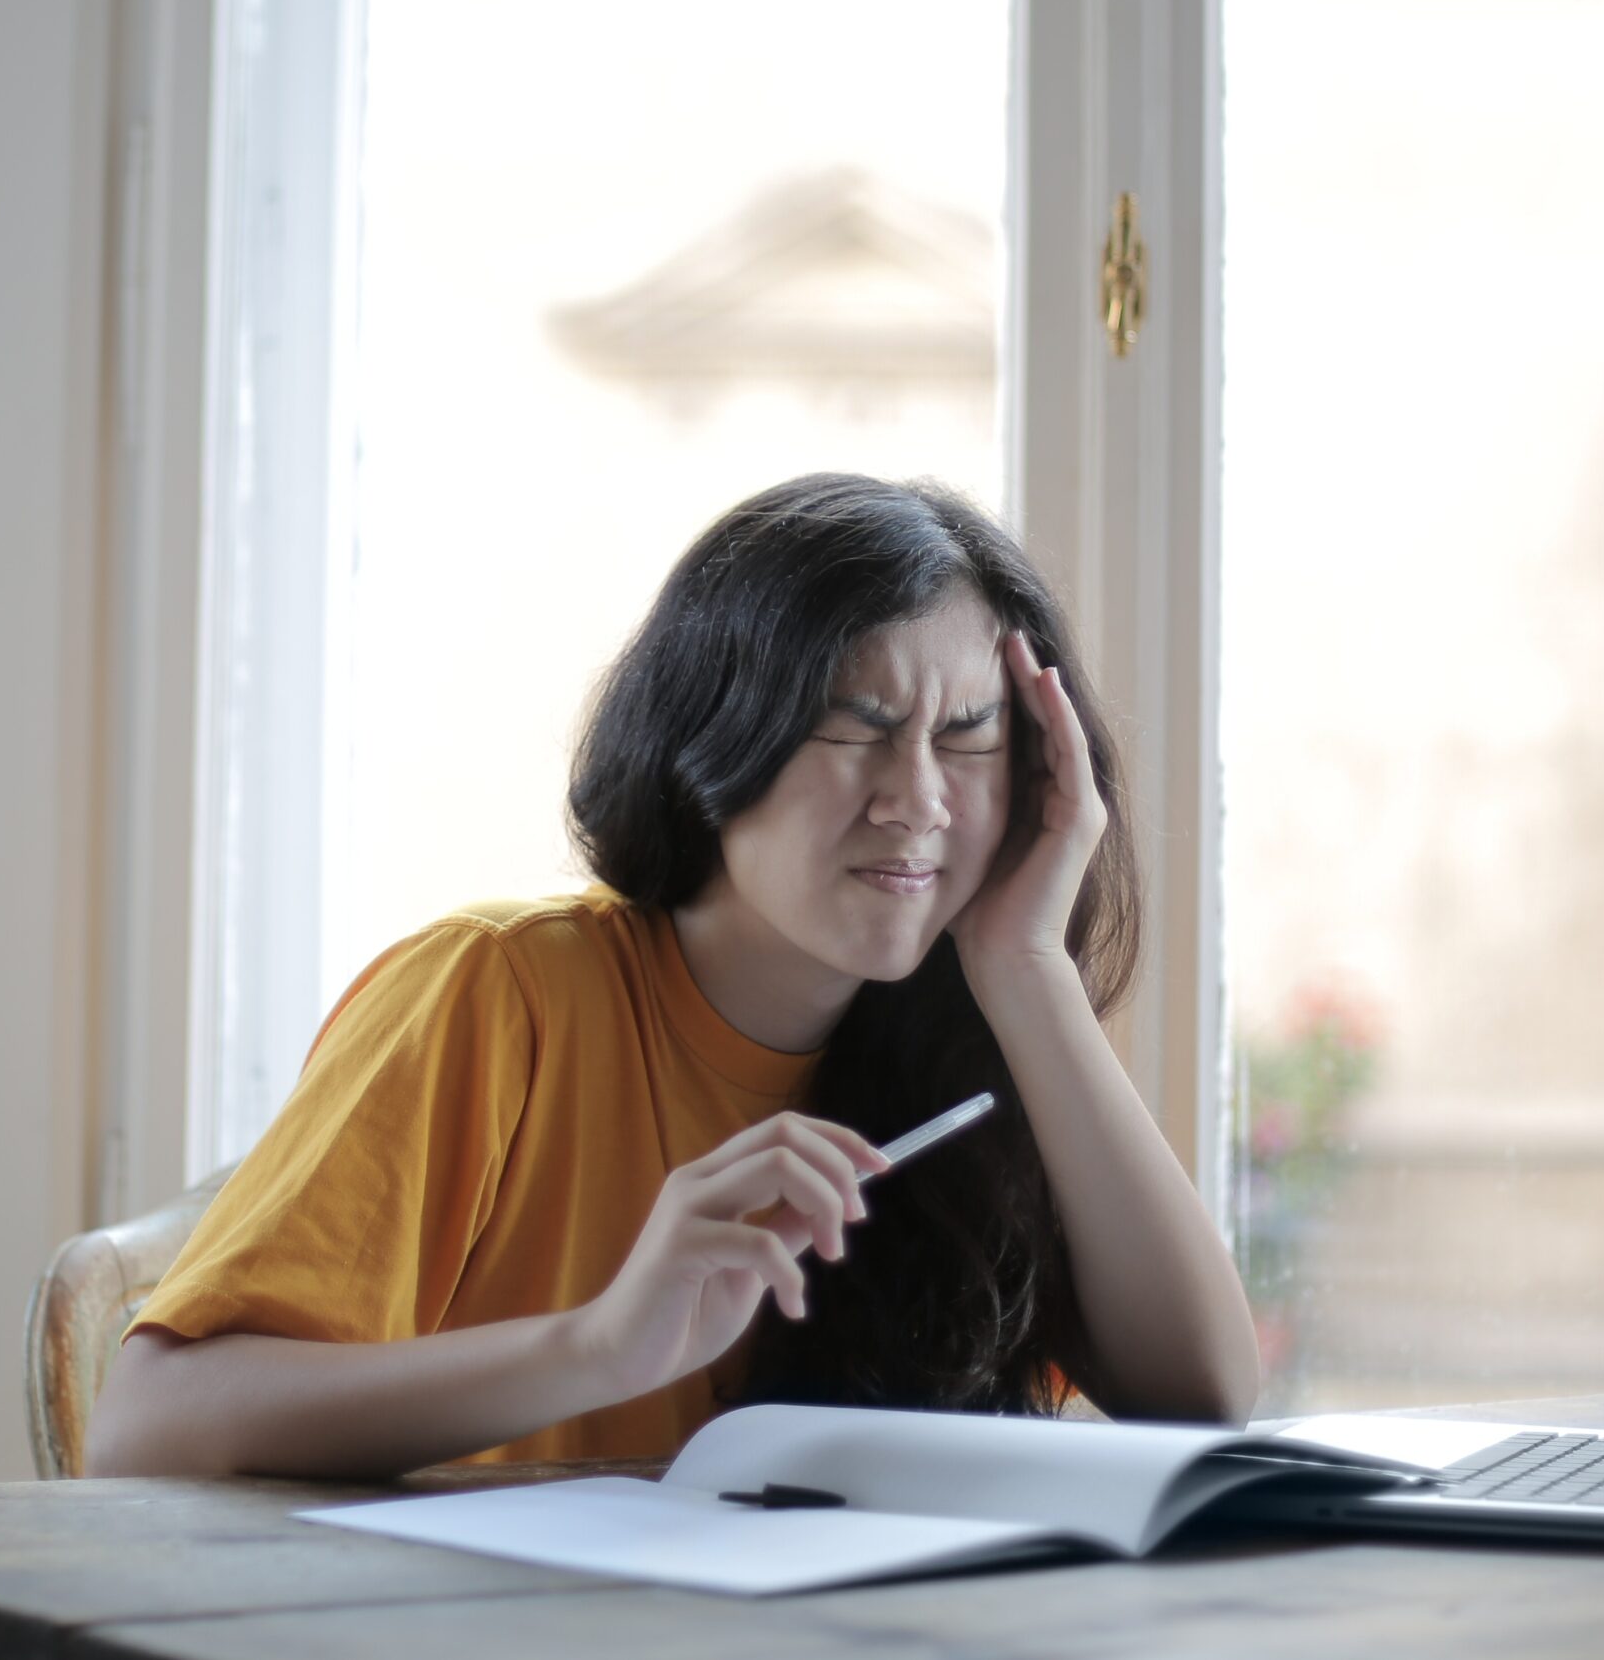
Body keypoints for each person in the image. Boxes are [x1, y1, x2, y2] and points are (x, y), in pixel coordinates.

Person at [84, 472, 1259, 1479]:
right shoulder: (497, 993)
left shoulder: (973, 1037)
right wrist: (599, 1346)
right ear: (716, 735)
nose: (919, 798)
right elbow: (142, 1431)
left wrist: (1026, 965)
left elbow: (1201, 1395)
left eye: (969, 735)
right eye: (855, 726)